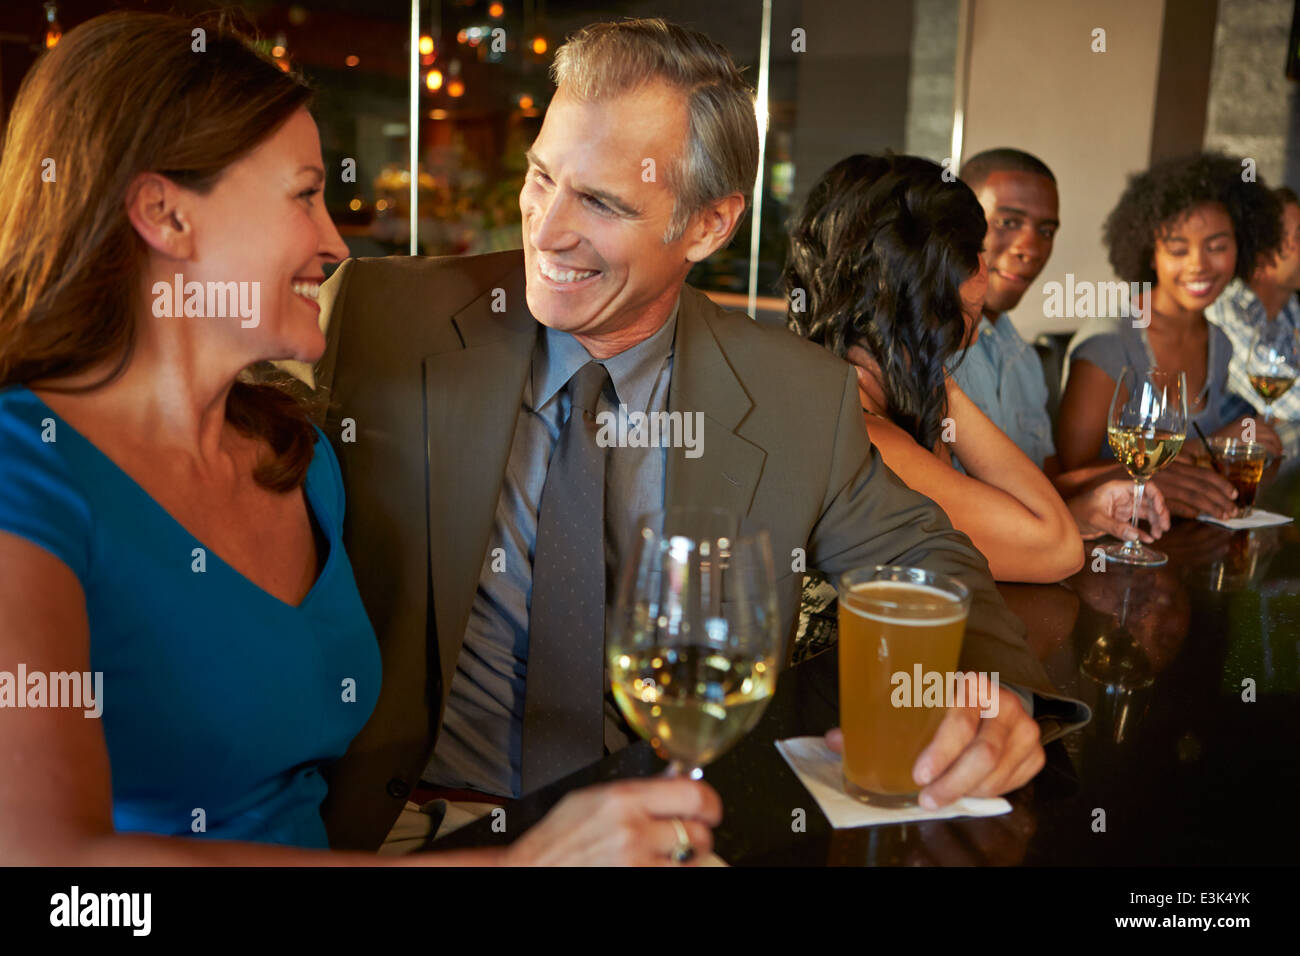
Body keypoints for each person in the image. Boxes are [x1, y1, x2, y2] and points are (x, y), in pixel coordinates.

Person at [312, 19, 1086, 852]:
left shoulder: (796, 395)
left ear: (711, 227)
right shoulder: (379, 318)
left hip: (661, 824)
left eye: (602, 202)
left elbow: (932, 564)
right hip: (410, 828)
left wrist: (999, 699)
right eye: (543, 177)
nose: (546, 230)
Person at [0, 11, 720, 866]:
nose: (336, 241)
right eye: (305, 193)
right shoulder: (26, 468)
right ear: (165, 214)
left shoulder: (300, 463)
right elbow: (57, 874)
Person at [783, 154, 1167, 586]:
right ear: (925, 280)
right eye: (973, 252)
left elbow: (978, 532)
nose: (986, 271)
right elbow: (1056, 549)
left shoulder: (864, 404)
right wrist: (936, 368)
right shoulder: (871, 439)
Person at [1057, 153, 1284, 519]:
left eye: (1217, 246)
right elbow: (1066, 479)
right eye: (1178, 249)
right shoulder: (1109, 344)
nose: (1198, 264)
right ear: (1151, 255)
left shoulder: (1219, 342)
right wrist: (1213, 444)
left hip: (1179, 536)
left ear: (1241, 247)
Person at [952, 148, 1061, 471]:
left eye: (1046, 231)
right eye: (1008, 222)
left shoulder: (1025, 360)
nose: (1029, 248)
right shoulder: (923, 352)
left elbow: (1048, 481)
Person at [1205, 185, 1300, 457]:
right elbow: (1289, 402)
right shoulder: (1227, 310)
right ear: (1263, 250)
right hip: (1204, 466)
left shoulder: (1289, 306)